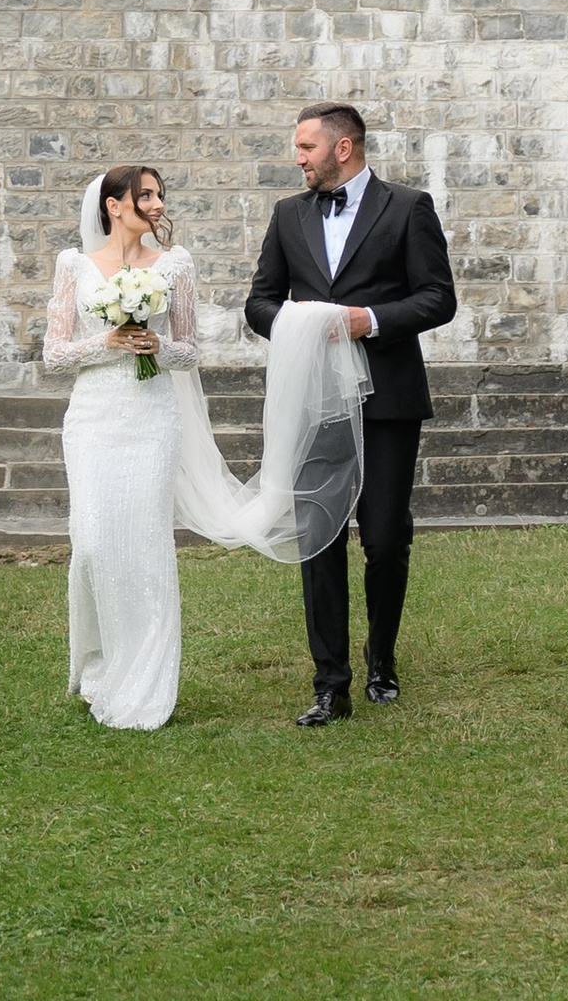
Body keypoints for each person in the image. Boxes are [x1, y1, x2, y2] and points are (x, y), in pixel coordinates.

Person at [43, 158, 364, 732]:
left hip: (152, 417)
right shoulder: (74, 265)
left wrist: (154, 346)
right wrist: (111, 342)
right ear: (114, 206)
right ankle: (100, 664)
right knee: (92, 544)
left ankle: (144, 682)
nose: (159, 204)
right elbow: (55, 353)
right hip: (92, 420)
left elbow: (189, 350)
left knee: (142, 544)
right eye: (146, 196)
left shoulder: (176, 265)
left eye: (160, 194)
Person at [245, 102, 457, 726]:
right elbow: (259, 302)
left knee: (386, 538)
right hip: (313, 402)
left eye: (306, 146)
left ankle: (382, 659)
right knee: (319, 539)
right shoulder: (288, 215)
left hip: (387, 398)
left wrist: (372, 321)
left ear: (344, 148)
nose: (298, 158)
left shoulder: (408, 207)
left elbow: (438, 298)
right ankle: (329, 683)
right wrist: (300, 326)